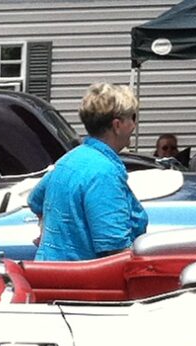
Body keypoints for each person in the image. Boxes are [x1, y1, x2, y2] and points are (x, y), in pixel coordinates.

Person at [30, 82, 146, 261]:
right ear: (117, 125)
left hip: (50, 271)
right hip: (81, 276)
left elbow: (35, 199)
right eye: (133, 117)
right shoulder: (104, 173)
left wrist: (52, 235)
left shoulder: (69, 159)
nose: (134, 125)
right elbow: (115, 250)